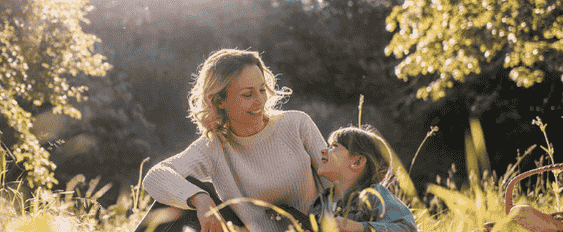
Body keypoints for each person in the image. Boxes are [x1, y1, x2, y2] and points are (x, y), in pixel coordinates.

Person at [141, 48, 330, 232]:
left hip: (314, 228)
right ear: (219, 100)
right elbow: (156, 176)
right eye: (247, 94)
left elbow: (339, 183)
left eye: (262, 90)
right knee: (187, 193)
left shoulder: (296, 124)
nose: (259, 101)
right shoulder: (214, 146)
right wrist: (200, 200)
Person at [307, 125, 417, 232]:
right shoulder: (319, 202)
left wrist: (359, 228)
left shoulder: (374, 196)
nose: (323, 151)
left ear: (357, 162)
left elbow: (407, 228)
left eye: (334, 146)